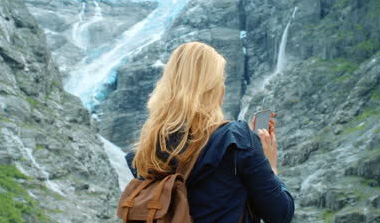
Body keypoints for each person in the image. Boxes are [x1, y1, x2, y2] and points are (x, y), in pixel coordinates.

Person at [125, 42, 294, 223]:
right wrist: (269, 164)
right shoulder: (236, 140)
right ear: (211, 88)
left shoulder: (145, 151)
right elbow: (280, 214)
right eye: (221, 80)